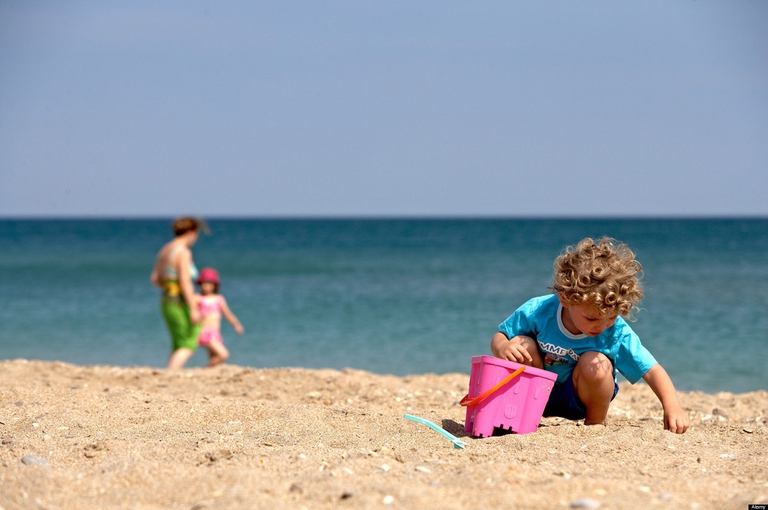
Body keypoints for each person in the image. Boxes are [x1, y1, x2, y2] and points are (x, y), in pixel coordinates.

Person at [490, 237, 689, 433]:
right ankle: (521, 416)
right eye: (592, 319)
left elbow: (651, 369)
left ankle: (594, 424)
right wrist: (502, 347)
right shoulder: (539, 310)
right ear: (566, 298)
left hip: (582, 397)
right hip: (537, 394)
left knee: (595, 361)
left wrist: (672, 406)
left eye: (611, 318)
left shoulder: (616, 332)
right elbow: (500, 336)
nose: (602, 326)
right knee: (520, 342)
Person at [150, 217, 207, 370]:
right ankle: (171, 374)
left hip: (166, 300)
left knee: (177, 342)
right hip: (179, 301)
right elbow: (185, 281)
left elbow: (155, 279)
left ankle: (171, 373)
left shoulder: (165, 249)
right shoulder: (183, 252)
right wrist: (193, 308)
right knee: (189, 342)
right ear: (190, 232)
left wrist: (170, 286)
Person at [195, 267, 244, 367]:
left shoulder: (219, 299)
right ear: (200, 284)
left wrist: (236, 324)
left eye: (209, 283)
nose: (206, 286)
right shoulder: (198, 298)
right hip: (204, 332)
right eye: (204, 283)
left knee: (214, 357)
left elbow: (227, 314)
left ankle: (209, 373)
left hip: (215, 333)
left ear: (215, 285)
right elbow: (190, 312)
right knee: (223, 355)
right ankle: (205, 370)